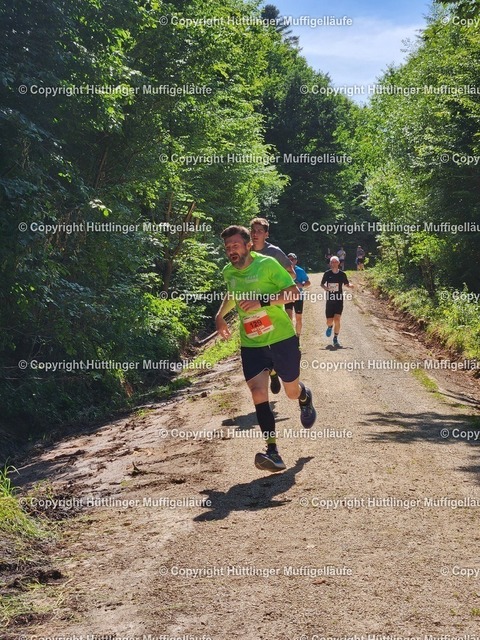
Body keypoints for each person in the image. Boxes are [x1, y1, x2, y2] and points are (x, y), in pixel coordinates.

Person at [215, 225, 317, 473]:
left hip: (281, 338)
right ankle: (273, 451)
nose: (231, 250)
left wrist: (262, 301)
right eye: (227, 247)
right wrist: (219, 316)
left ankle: (304, 396)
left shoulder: (268, 264)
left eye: (235, 245)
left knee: (291, 392)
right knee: (258, 393)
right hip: (252, 343)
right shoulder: (228, 272)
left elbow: (293, 293)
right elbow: (232, 293)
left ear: (248, 245)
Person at [250, 217, 295, 395]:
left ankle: (276, 370)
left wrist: (275, 283)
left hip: (271, 305)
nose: (255, 234)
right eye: (253, 230)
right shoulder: (246, 250)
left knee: (273, 343)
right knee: (260, 345)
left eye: (259, 231)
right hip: (251, 308)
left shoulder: (274, 252)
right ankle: (272, 372)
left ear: (266, 234)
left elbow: (291, 273)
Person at [320, 255, 354, 347]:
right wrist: (326, 288)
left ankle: (335, 338)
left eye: (336, 262)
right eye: (332, 262)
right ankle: (330, 326)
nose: (334, 264)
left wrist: (350, 285)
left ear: (339, 263)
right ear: (330, 264)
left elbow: (346, 283)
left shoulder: (342, 274)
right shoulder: (327, 273)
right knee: (329, 321)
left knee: (337, 319)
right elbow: (322, 284)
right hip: (330, 299)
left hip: (339, 299)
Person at [285, 253, 311, 337]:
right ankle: (291, 336)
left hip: (298, 297)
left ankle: (298, 336)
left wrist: (301, 285)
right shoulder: (283, 270)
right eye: (288, 259)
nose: (290, 261)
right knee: (288, 317)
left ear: (296, 261)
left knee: (298, 318)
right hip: (287, 296)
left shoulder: (300, 270)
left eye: (292, 259)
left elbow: (308, 282)